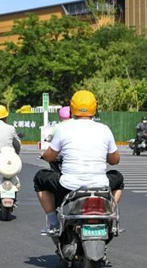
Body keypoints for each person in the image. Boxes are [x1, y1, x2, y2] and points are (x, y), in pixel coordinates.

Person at [34, 90, 124, 234]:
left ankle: (53, 221)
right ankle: (110, 213)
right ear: (95, 108)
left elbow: (50, 156)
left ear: (72, 108)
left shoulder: (63, 128)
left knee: (39, 178)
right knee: (118, 179)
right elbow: (114, 160)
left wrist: (44, 155)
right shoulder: (104, 129)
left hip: (70, 186)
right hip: (101, 186)